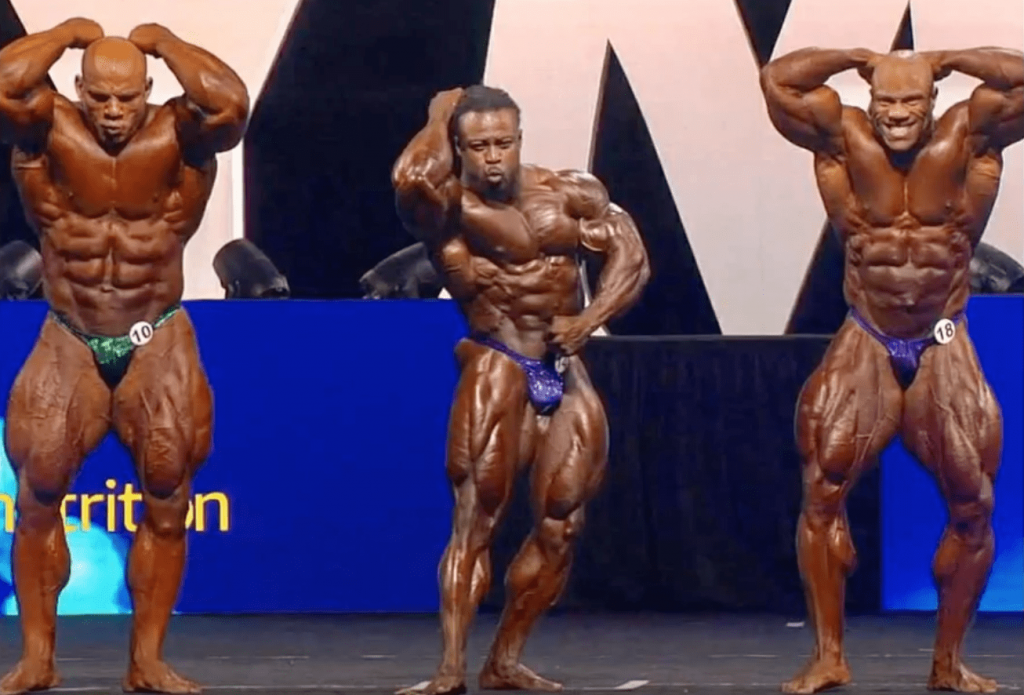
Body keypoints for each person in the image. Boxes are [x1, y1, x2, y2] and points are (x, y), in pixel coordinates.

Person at [760, 46, 1023, 694]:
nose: (897, 114)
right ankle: (828, 655)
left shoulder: (972, 135)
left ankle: (948, 662)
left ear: (932, 101)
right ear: (869, 100)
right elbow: (777, 80)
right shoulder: (842, 138)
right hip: (868, 334)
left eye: (910, 101)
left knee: (973, 505)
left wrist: (950, 57)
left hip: (941, 336)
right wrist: (856, 56)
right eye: (886, 101)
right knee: (822, 491)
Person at [0, 17, 248, 694]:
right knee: (38, 495)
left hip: (154, 338)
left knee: (167, 497)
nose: (114, 111)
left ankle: (147, 662)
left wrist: (164, 42)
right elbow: (6, 85)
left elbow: (231, 106)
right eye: (102, 97)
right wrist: (65, 33)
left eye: (128, 97)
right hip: (70, 338)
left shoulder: (179, 137)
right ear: (80, 90)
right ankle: (37, 659)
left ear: (149, 91)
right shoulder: (48, 130)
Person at [391, 85, 650, 695]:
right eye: (478, 146)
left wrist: (589, 319)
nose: (493, 158)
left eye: (503, 143)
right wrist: (439, 112)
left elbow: (632, 255)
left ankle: (504, 660)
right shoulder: (445, 208)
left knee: (563, 524)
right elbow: (410, 177)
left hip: (565, 365)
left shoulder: (566, 192)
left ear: (520, 139)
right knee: (475, 518)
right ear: (458, 148)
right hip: (498, 361)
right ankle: (450, 670)